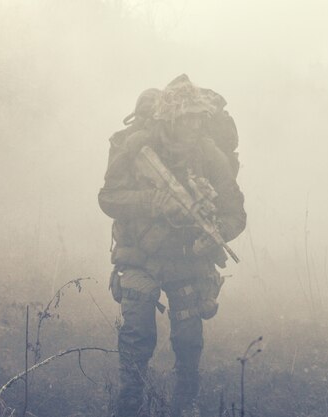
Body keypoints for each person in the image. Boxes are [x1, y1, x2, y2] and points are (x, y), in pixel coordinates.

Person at [99, 75, 246, 417]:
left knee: (189, 338)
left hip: (187, 257)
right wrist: (154, 202)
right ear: (170, 119)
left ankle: (186, 404)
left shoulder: (209, 154)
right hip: (141, 255)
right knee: (137, 334)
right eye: (187, 118)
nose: (194, 125)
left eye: (198, 118)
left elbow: (235, 212)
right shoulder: (136, 147)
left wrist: (214, 231)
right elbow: (108, 198)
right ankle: (130, 403)